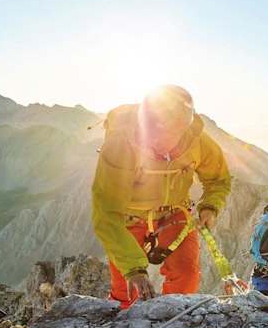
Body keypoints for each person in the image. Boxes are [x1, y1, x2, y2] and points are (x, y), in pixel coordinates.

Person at [91, 85, 232, 307]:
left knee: (187, 276)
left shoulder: (196, 141)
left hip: (174, 213)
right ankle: (125, 318)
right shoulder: (120, 145)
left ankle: (171, 313)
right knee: (127, 290)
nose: (156, 140)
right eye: (152, 132)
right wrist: (134, 269)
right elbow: (107, 212)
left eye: (165, 133)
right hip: (128, 218)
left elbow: (218, 179)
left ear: (182, 128)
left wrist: (210, 206)